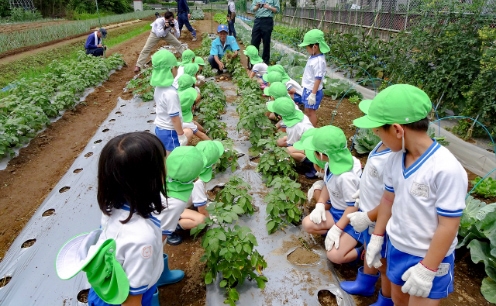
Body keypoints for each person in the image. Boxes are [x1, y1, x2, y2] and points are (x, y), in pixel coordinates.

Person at [351, 84, 467, 305]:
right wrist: (377, 237)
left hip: (427, 256)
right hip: (398, 246)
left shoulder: (446, 169)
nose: (377, 137)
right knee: (398, 298)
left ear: (397, 130)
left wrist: (427, 268)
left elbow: (448, 225)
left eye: (378, 131)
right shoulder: (396, 158)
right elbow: (388, 199)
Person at [57, 132, 173, 305]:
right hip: (121, 298)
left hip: (109, 289)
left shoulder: (113, 206)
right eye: (163, 161)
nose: (167, 163)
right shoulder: (142, 240)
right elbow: (131, 302)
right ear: (149, 178)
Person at [340, 115, 393, 305]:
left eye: (376, 127)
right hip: (367, 212)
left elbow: (392, 199)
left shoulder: (393, 157)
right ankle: (365, 283)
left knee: (384, 262)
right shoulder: (382, 145)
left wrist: (370, 214)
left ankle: (386, 299)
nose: (373, 130)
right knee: (370, 250)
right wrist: (362, 191)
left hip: (381, 218)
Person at [295, 126, 363, 264]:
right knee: (308, 224)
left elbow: (354, 206)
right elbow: (327, 185)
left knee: (334, 256)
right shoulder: (331, 164)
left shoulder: (346, 177)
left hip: (353, 220)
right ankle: (337, 237)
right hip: (337, 212)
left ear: (322, 155)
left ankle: (361, 251)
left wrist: (338, 229)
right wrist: (320, 204)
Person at [158, 146, 205, 246]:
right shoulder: (176, 202)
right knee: (201, 220)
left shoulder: (160, 175)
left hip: (158, 212)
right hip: (162, 219)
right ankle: (172, 230)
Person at [178, 140, 224, 231]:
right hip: (169, 210)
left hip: (161, 202)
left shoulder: (188, 166)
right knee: (201, 220)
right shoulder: (198, 181)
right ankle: (173, 227)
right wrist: (209, 220)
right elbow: (202, 209)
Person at [151, 50, 189, 154]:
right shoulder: (170, 93)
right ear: (172, 69)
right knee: (174, 156)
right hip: (170, 131)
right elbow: (174, 118)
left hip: (160, 128)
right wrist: (181, 135)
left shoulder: (158, 88)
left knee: (166, 153)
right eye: (176, 67)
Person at [266, 96, 313, 165]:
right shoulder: (297, 115)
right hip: (308, 140)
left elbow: (291, 144)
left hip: (313, 149)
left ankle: (311, 164)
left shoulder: (293, 127)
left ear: (279, 116)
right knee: (281, 141)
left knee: (286, 151)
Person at [299, 29, 329, 127]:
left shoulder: (319, 61)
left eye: (307, 47)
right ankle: (307, 126)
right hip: (308, 89)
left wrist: (313, 94)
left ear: (314, 47)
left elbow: (318, 78)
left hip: (313, 90)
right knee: (307, 110)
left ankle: (311, 130)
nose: (306, 49)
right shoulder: (314, 56)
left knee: (311, 112)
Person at [177, 73, 210, 142]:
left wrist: (204, 130)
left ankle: (206, 130)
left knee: (193, 122)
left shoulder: (177, 95)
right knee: (195, 130)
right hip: (183, 124)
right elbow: (201, 135)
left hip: (179, 120)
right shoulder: (187, 123)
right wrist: (213, 144)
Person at [250, 0, 280, 64]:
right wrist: (257, 7)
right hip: (257, 20)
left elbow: (277, 10)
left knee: (266, 42)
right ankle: (253, 62)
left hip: (267, 21)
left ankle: (265, 62)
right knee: (254, 41)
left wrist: (268, 7)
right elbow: (252, 9)